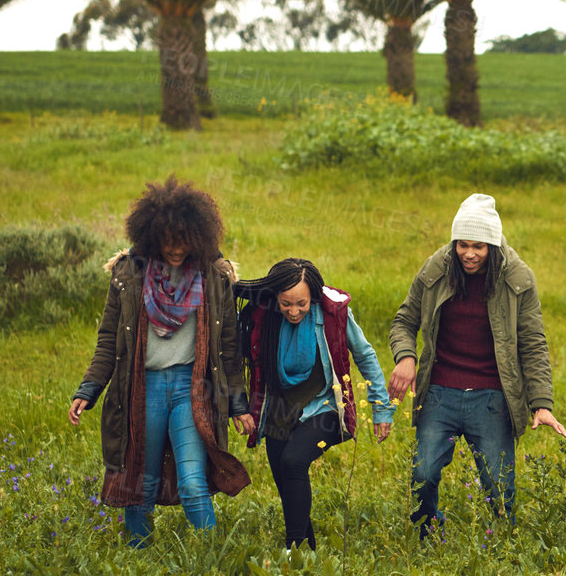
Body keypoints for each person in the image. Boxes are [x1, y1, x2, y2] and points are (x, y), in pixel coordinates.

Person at [68, 176, 253, 546]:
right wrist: (89, 388)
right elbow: (109, 340)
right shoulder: (128, 274)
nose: (175, 249)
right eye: (167, 241)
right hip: (143, 387)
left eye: (183, 241)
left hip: (192, 388)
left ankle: (208, 557)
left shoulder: (214, 276)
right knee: (140, 477)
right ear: (151, 235)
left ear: (197, 236)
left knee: (192, 478)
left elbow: (228, 350)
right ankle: (139, 556)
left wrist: (238, 405)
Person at [387, 194, 566, 537]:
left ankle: (500, 545)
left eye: (479, 247)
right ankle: (427, 534)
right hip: (440, 390)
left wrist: (541, 403)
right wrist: (406, 357)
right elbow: (404, 321)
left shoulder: (517, 278)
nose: (468, 254)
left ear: (493, 246)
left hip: (492, 394)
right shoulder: (436, 268)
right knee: (423, 474)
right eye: (462, 245)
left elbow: (533, 344)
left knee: (499, 487)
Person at [234, 258, 396, 550]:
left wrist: (380, 407)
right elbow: (234, 359)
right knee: (286, 479)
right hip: (280, 410)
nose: (294, 311)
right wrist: (239, 406)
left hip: (324, 408)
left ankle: (292, 550)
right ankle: (306, 551)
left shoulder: (333, 314)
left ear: (314, 296)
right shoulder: (263, 316)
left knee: (294, 461)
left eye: (301, 303)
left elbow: (366, 356)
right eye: (286, 304)